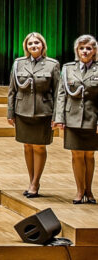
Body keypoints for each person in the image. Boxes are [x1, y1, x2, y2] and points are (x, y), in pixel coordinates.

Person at [7, 32, 59, 198]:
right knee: (27, 146)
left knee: (39, 147)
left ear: (43, 46)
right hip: (22, 110)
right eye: (30, 44)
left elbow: (58, 93)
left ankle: (35, 182)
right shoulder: (18, 63)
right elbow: (12, 90)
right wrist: (10, 112)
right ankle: (31, 180)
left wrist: (57, 116)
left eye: (37, 43)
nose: (34, 46)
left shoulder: (52, 64)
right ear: (26, 47)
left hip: (43, 112)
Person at [54, 34, 98, 204]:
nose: (85, 51)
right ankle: (80, 191)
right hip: (72, 117)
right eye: (82, 48)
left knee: (90, 155)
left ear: (94, 51)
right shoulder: (68, 68)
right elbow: (61, 95)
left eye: (89, 48)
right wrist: (59, 118)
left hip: (92, 118)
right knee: (76, 155)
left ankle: (89, 190)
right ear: (77, 50)